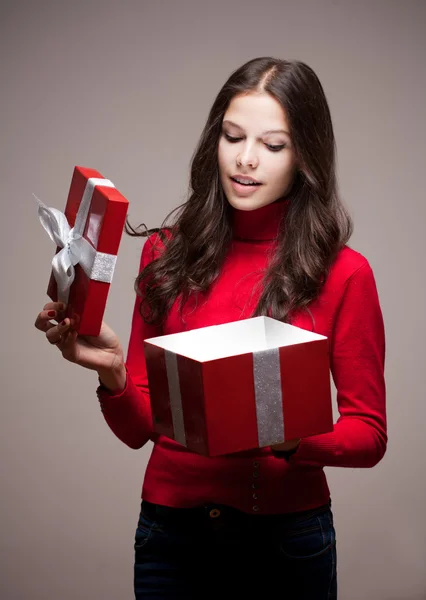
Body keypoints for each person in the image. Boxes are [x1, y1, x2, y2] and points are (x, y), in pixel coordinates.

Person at [35, 57, 387, 599]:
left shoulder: (344, 273)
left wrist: (297, 441)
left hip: (288, 541)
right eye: (232, 136)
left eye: (273, 145)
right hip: (171, 538)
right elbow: (139, 431)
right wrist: (110, 371)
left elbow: (370, 433)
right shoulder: (165, 253)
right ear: (213, 141)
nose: (246, 160)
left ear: (305, 156)